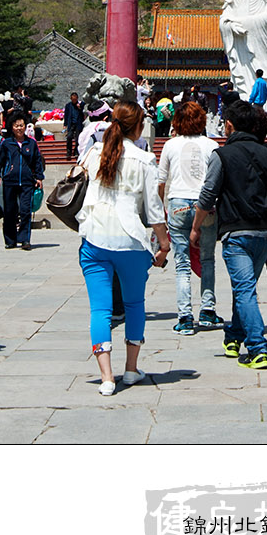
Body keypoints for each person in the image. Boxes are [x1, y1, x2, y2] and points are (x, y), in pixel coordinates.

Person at [190, 100, 267, 370]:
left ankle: (257, 347)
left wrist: (196, 226)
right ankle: (233, 336)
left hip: (236, 232)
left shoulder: (222, 155)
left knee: (244, 289)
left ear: (230, 125)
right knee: (244, 287)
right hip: (265, 232)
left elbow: (208, 194)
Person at [78, 102, 169, 396]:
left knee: (100, 309)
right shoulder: (144, 159)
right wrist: (164, 243)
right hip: (130, 239)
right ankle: (130, 369)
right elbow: (154, 211)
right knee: (133, 305)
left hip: (94, 236)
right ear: (138, 126)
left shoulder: (94, 153)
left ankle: (106, 376)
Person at [158, 98, 221, 335]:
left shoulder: (170, 145)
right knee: (207, 259)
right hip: (205, 206)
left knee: (182, 263)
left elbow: (161, 182)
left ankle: (184, 316)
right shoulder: (212, 145)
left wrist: (160, 211)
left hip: (178, 204)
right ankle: (207, 310)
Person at [0, 110, 44, 250]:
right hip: (10, 180)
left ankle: (25, 239)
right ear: (12, 127)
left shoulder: (31, 143)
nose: (19, 128)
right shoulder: (6, 143)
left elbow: (37, 162)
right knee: (10, 211)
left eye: (21, 125)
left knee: (25, 210)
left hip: (27, 182)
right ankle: (10, 240)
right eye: (16, 125)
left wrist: (39, 177)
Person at [62, 92, 85, 158]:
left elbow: (84, 113)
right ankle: (69, 152)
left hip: (78, 123)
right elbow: (66, 115)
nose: (74, 100)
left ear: (77, 98)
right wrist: (65, 124)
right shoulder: (68, 105)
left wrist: (80, 108)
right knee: (69, 137)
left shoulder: (81, 104)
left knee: (78, 138)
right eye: (73, 99)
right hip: (71, 123)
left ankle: (76, 152)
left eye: (75, 99)